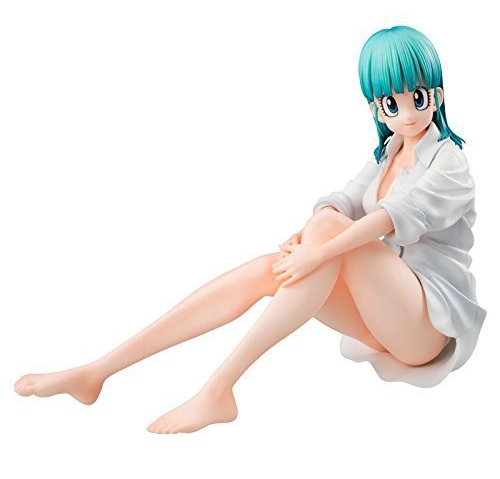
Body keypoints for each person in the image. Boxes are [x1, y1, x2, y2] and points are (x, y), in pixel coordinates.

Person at [13, 26, 487, 434]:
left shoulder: (449, 162)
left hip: (427, 327)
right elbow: (343, 200)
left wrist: (319, 249)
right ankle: (99, 370)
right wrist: (308, 238)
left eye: (417, 97)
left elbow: (394, 216)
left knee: (324, 235)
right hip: (383, 321)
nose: (407, 113)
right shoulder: (387, 154)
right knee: (271, 267)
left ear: (437, 94)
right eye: (391, 103)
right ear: (377, 110)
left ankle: (217, 389)